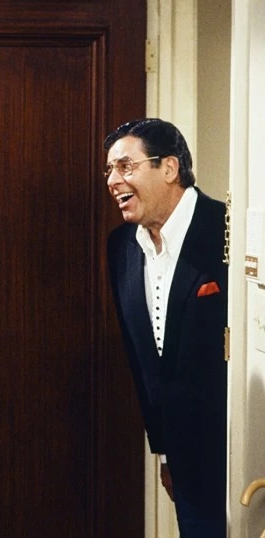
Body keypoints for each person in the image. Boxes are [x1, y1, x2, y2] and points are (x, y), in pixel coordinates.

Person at [105, 118, 227, 537]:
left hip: (242, 451)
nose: (112, 180)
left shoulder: (225, 229)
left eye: (125, 166)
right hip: (183, 464)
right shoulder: (121, 247)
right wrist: (164, 452)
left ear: (169, 168)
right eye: (109, 170)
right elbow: (145, 364)